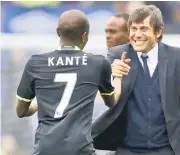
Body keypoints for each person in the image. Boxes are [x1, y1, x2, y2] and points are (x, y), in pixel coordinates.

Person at [92, 6, 180, 155]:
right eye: (134, 29)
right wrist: (109, 74)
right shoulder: (117, 54)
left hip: (167, 150)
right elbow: (100, 87)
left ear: (158, 31)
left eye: (143, 29)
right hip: (127, 149)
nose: (137, 34)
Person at [16, 9, 124, 155]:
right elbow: (112, 102)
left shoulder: (35, 63)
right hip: (79, 149)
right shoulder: (97, 63)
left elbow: (21, 111)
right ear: (84, 35)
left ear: (58, 32)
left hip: (45, 149)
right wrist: (118, 77)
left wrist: (39, 102)